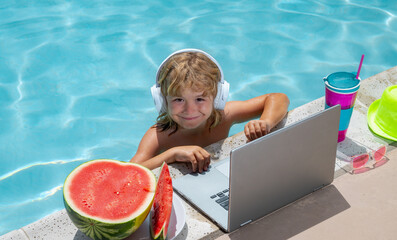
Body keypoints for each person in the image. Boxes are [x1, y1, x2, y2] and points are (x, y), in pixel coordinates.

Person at [130, 49, 289, 172]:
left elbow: (278, 97)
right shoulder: (159, 135)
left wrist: (265, 122)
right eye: (178, 99)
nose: (190, 110)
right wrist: (171, 155)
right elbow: (129, 172)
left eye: (200, 99)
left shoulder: (224, 115)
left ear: (218, 97)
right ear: (162, 101)